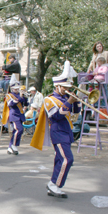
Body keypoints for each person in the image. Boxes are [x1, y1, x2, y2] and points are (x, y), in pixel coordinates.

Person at [30, 61, 81, 198]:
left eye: (68, 87)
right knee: (67, 159)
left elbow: (75, 112)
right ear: (57, 86)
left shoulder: (65, 98)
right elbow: (56, 116)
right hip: (58, 132)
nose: (66, 89)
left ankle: (54, 184)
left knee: (60, 159)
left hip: (66, 132)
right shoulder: (49, 99)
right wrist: (69, 102)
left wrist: (76, 101)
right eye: (64, 87)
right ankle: (55, 185)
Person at [1, 74, 28, 155]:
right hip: (14, 115)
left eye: (18, 88)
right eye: (15, 88)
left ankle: (10, 147)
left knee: (15, 131)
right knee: (19, 130)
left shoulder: (20, 94)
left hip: (20, 115)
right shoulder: (9, 95)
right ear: (12, 88)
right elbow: (11, 104)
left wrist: (25, 98)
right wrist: (20, 97)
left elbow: (25, 104)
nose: (17, 90)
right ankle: (14, 145)